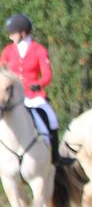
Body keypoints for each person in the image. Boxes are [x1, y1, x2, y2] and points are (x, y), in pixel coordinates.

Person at [1, 13, 62, 163]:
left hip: (33, 95)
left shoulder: (39, 50)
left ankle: (55, 157)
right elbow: (2, 72)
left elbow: (47, 75)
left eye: (12, 34)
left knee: (52, 119)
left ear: (23, 33)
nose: (10, 37)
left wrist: (38, 84)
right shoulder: (8, 51)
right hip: (12, 98)